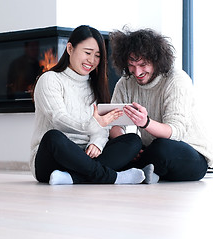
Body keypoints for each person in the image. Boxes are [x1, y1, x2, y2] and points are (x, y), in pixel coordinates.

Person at [30, 25, 150, 185]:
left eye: (97, 55)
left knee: (133, 141)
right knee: (53, 137)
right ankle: (113, 177)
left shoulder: (95, 85)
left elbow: (102, 127)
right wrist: (92, 125)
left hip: (87, 154)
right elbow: (58, 119)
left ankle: (72, 178)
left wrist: (97, 143)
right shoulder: (50, 79)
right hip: (54, 158)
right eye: (87, 53)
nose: (91, 60)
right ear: (70, 48)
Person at [109, 28, 213, 183]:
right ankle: (147, 172)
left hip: (190, 154)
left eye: (143, 64)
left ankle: (139, 171)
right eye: (131, 65)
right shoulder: (125, 83)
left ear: (156, 60)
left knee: (162, 148)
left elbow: (176, 132)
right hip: (150, 149)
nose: (137, 72)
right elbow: (113, 124)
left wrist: (146, 123)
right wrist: (126, 145)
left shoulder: (176, 80)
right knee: (117, 144)